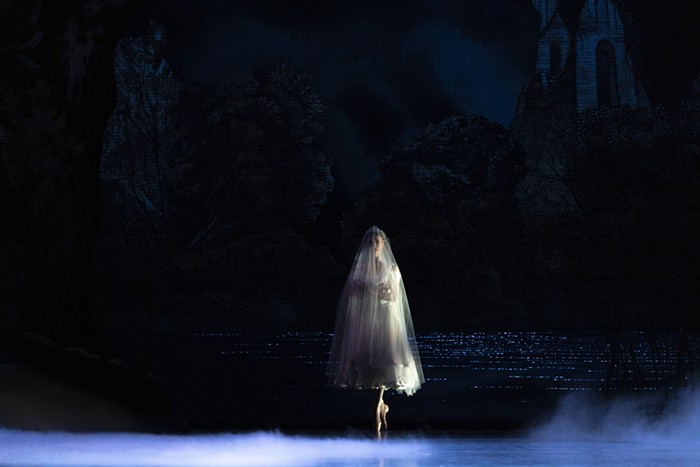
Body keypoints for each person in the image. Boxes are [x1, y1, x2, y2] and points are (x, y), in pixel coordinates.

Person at [326, 226, 424, 432]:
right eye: (370, 243)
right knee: (368, 362)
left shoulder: (391, 268)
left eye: (376, 242)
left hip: (385, 318)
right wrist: (365, 291)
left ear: (383, 244)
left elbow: (394, 296)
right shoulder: (360, 268)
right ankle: (380, 405)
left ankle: (377, 405)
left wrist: (373, 291)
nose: (373, 246)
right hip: (365, 319)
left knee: (383, 360)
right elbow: (351, 295)